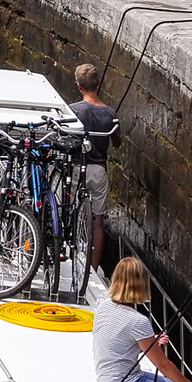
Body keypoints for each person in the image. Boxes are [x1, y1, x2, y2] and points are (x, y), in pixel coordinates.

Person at [69, 64, 118, 270]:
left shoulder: (73, 110)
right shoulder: (109, 113)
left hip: (75, 168)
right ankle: (93, 268)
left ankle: (67, 252)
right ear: (98, 84)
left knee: (69, 211)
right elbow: (117, 142)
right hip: (98, 171)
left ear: (79, 86)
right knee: (98, 223)